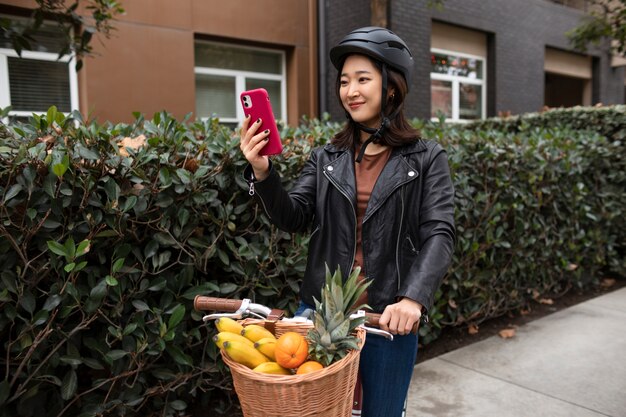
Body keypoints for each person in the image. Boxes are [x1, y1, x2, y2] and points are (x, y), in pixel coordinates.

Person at [239, 26, 455, 417]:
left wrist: (413, 298)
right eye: (344, 81)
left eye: (362, 79)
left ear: (391, 87)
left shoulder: (426, 157)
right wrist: (262, 172)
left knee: (383, 413)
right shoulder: (327, 157)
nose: (350, 90)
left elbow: (439, 232)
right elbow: (295, 216)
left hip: (388, 318)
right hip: (321, 316)